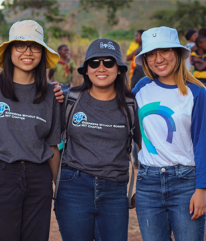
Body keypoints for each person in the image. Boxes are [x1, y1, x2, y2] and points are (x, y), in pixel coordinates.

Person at [0, 20, 61, 241]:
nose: (28, 52)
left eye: (35, 46)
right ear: (9, 50)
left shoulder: (51, 94)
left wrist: (58, 185)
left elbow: (52, 145)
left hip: (39, 177)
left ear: (41, 53)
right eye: (20, 45)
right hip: (1, 176)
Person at [54, 38, 141, 241]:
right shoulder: (69, 99)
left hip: (115, 191)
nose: (101, 68)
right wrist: (57, 182)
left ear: (119, 69)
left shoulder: (131, 104)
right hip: (73, 188)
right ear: (86, 70)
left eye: (109, 62)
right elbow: (51, 143)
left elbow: (146, 147)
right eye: (94, 63)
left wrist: (144, 187)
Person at [133, 26, 206, 240]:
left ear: (177, 54)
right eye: (151, 54)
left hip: (185, 183)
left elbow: (203, 143)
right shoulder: (141, 88)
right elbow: (115, 113)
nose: (158, 59)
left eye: (165, 51)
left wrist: (201, 190)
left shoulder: (196, 93)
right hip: (147, 183)